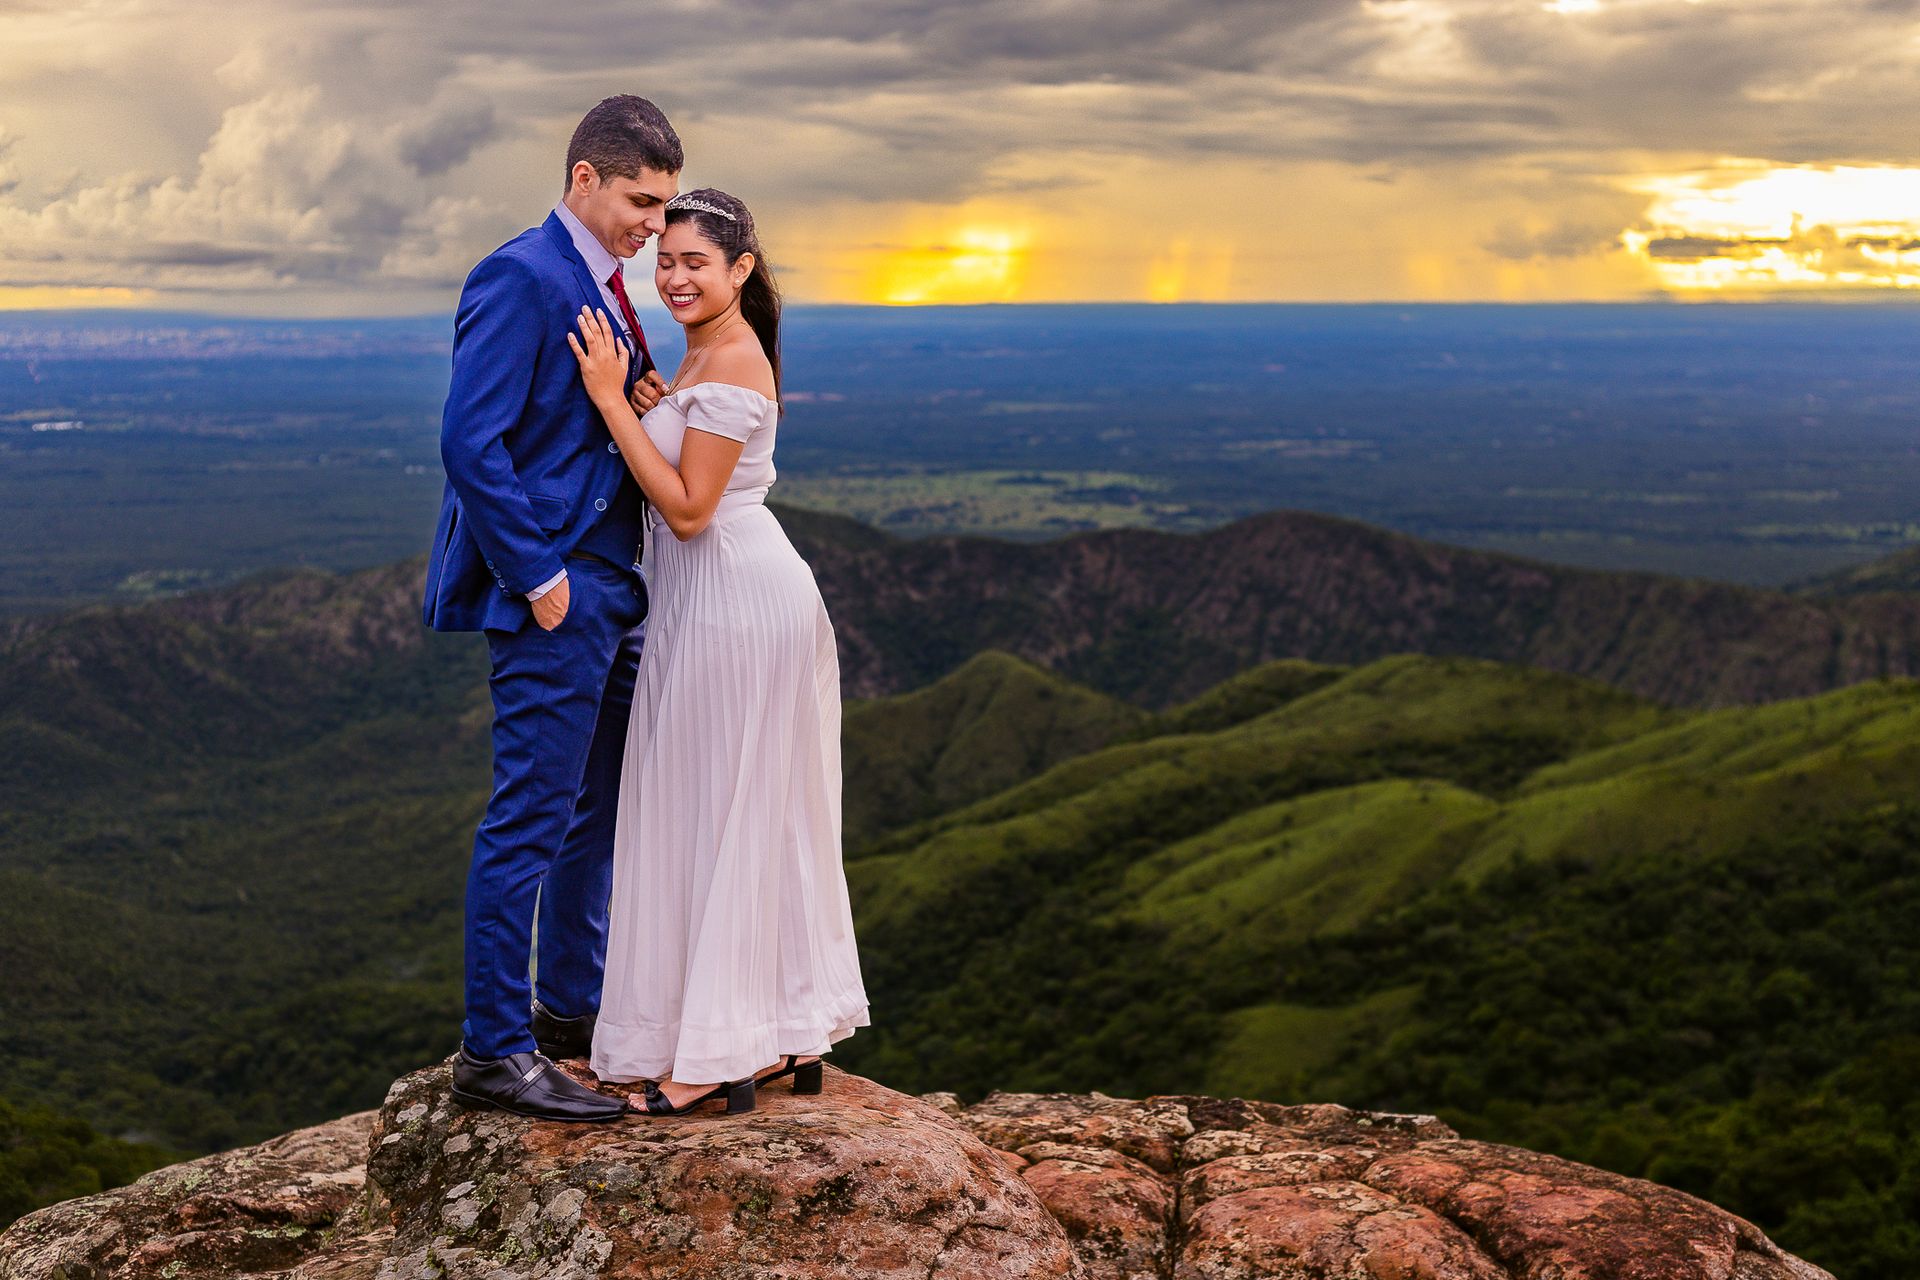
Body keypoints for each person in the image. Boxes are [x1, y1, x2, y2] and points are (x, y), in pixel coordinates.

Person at [567, 187, 870, 1118]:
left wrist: (615, 402)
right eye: (665, 260)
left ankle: (710, 1060)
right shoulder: (707, 352)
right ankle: (776, 1036)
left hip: (734, 602)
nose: (674, 276)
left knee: (722, 811)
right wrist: (658, 401)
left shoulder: (732, 357)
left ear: (741, 269)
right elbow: (696, 456)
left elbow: (691, 512)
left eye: (696, 261)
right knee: (740, 810)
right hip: (717, 603)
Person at [421, 96, 681, 1122]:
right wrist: (539, 576)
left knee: (597, 813)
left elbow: (580, 427)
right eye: (639, 199)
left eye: (663, 206)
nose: (653, 224)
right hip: (557, 597)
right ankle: (493, 1050)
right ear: (583, 178)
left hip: (617, 591)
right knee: (529, 817)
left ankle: (571, 1009)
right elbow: (468, 442)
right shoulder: (522, 275)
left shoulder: (607, 287)